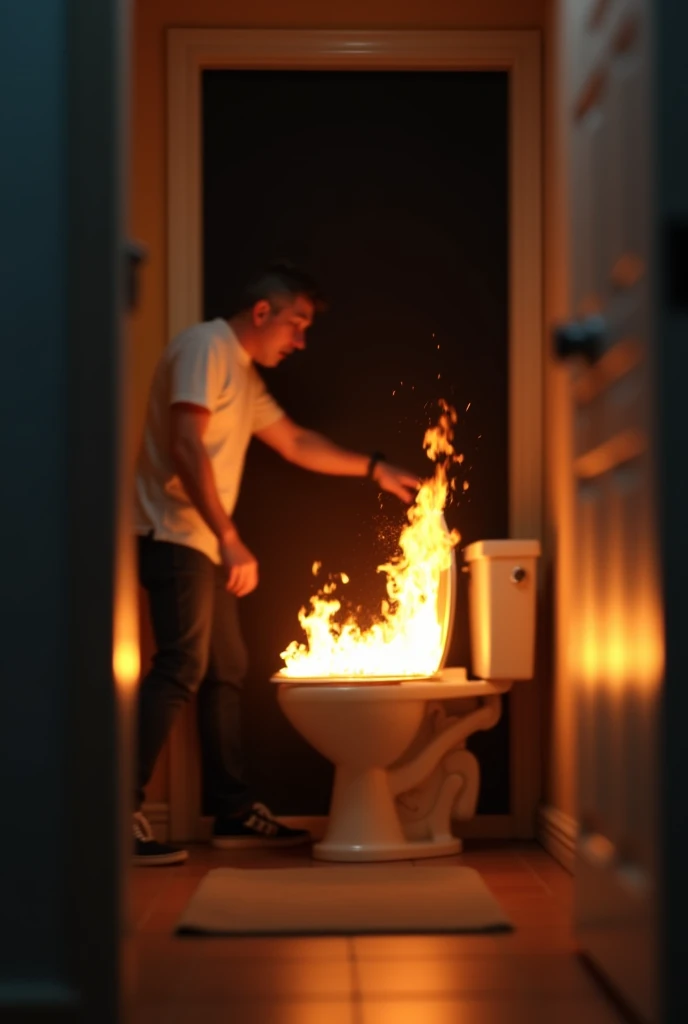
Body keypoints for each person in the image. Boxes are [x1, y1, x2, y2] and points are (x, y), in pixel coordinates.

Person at [132, 262, 420, 865]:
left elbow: (295, 442)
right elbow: (186, 445)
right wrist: (230, 536)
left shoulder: (240, 371)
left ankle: (232, 811)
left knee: (227, 669)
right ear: (262, 314)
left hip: (202, 541)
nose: (300, 340)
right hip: (176, 535)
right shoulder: (207, 347)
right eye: (297, 323)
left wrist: (375, 468)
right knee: (181, 665)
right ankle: (116, 812)